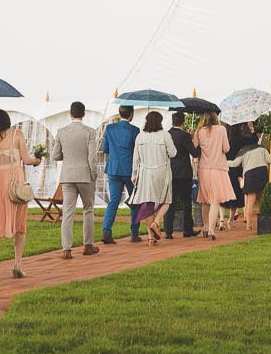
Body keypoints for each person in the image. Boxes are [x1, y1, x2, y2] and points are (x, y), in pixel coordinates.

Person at [0, 109, 40, 283]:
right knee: (19, 224)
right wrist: (37, 160)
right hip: (14, 179)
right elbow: (25, 159)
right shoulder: (17, 133)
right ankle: (17, 265)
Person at [51, 101, 100, 259]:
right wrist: (94, 174)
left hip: (67, 176)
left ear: (70, 114)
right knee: (88, 209)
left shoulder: (61, 132)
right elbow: (92, 157)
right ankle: (88, 245)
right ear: (83, 114)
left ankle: (66, 249)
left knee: (67, 212)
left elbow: (55, 155)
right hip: (85, 175)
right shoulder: (90, 132)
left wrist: (69, 155)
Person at [129, 111, 177, 246]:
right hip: (162, 171)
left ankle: (150, 236)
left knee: (147, 204)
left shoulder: (140, 136)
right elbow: (173, 153)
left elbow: (135, 158)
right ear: (160, 122)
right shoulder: (165, 135)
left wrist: (134, 174)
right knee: (166, 200)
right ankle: (156, 223)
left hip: (145, 172)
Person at [101, 105, 141, 244]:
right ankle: (134, 234)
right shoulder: (135, 130)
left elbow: (105, 149)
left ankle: (106, 231)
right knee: (135, 201)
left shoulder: (110, 129)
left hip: (114, 169)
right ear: (131, 114)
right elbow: (137, 152)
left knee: (113, 201)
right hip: (130, 170)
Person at [193, 111, 235, 240]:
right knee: (215, 199)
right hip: (218, 168)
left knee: (205, 199)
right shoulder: (221, 129)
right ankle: (211, 229)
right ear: (215, 117)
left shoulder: (199, 131)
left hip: (204, 168)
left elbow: (194, 147)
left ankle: (206, 227)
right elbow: (226, 149)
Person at [163, 111, 201, 238]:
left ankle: (168, 231)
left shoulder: (166, 135)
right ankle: (187, 230)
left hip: (170, 172)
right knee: (186, 203)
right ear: (183, 123)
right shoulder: (184, 136)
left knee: (170, 202)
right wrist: (195, 141)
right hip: (184, 173)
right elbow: (195, 153)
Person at [227, 142, 271, 231]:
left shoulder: (243, 151)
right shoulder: (262, 149)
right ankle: (267, 221)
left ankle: (248, 225)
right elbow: (270, 160)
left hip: (249, 175)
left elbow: (234, 164)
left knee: (250, 202)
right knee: (265, 198)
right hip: (262, 172)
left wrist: (222, 162)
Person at [221, 122, 258, 229]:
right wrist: (252, 129)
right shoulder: (240, 139)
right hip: (236, 169)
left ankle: (221, 220)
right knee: (235, 194)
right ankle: (230, 220)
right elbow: (254, 141)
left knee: (222, 194)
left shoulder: (224, 138)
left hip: (224, 167)